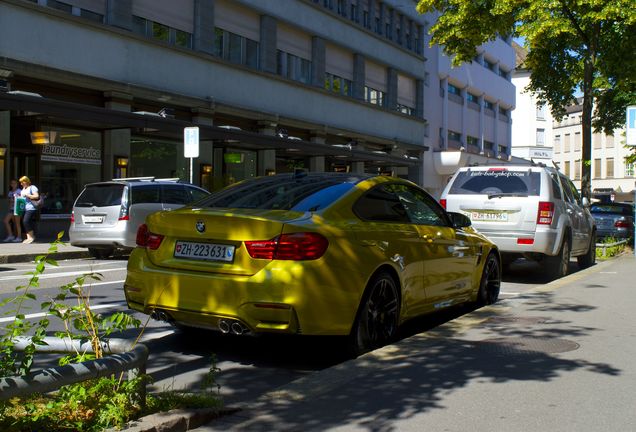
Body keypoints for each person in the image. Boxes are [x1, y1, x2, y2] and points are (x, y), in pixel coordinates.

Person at [19, 176, 39, 244]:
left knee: (26, 221)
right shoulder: (23, 189)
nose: (21, 184)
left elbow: (36, 196)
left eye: (22, 182)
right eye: (21, 182)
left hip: (31, 208)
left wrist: (28, 195)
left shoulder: (32, 187)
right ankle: (29, 238)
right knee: (25, 223)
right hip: (24, 208)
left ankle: (32, 237)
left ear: (26, 181)